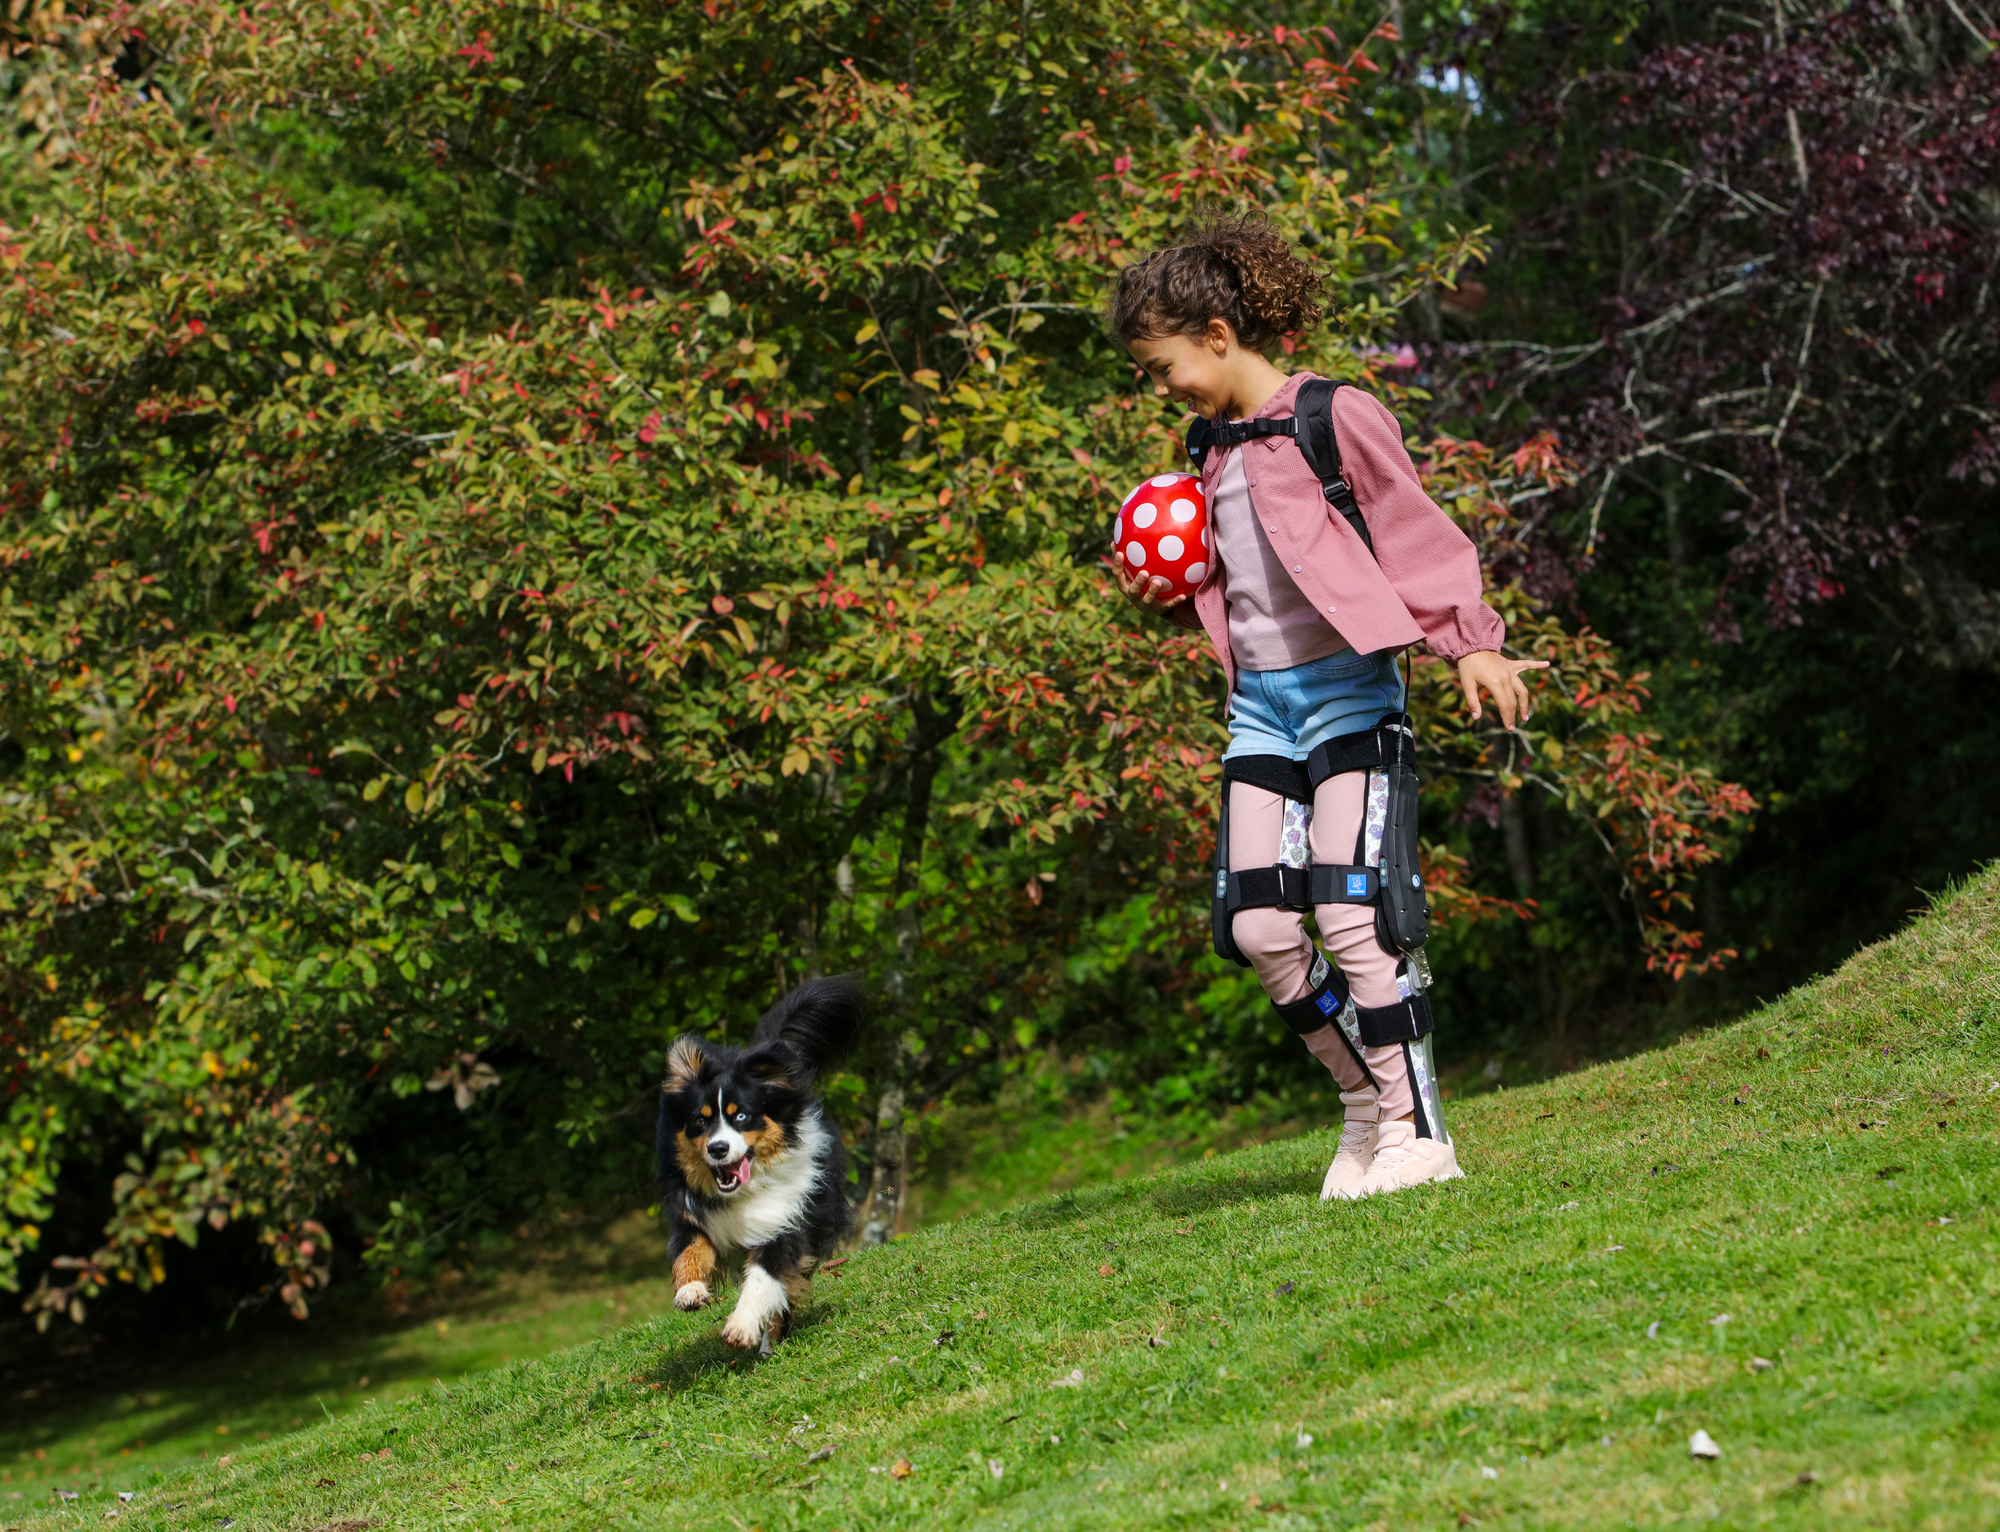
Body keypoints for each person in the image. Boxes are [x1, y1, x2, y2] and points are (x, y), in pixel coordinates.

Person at [1105, 215, 1545, 1200]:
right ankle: (1361, 1102)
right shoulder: (1203, 447)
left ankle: (1416, 1129)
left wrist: (1470, 645)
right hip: (1260, 714)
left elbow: (1412, 535)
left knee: (1350, 913)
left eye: (1161, 362)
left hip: (1350, 703)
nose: (1159, 384)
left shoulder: (1332, 415)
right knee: (1258, 927)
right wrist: (1165, 594)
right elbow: (1236, 585)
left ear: (1216, 335)